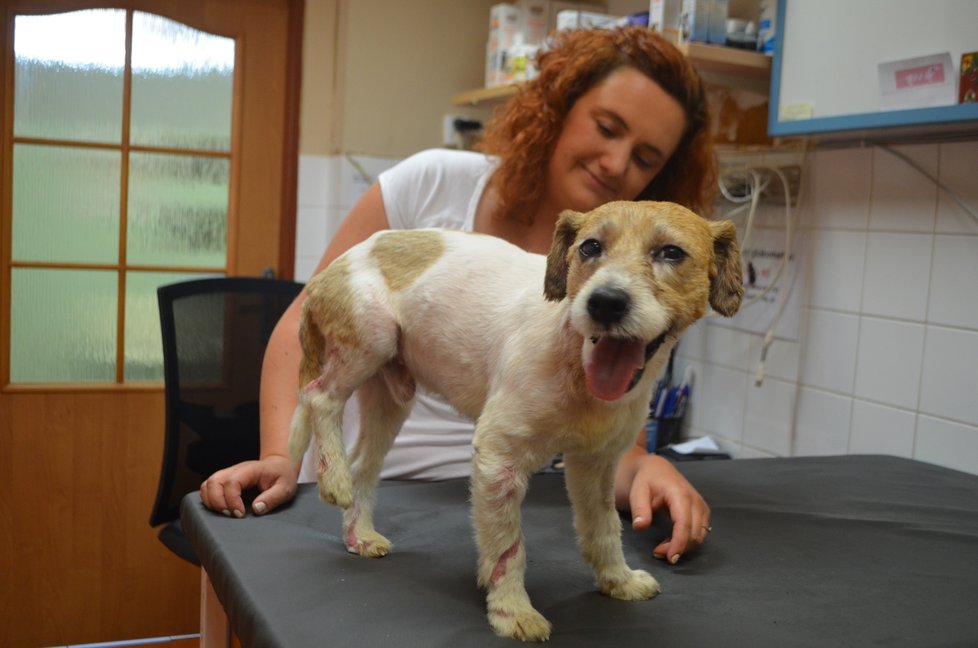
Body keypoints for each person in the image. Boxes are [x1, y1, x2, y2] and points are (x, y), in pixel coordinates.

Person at [201, 26, 717, 564]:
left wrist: (646, 467)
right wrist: (281, 456)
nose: (616, 162)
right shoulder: (431, 184)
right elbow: (301, 325)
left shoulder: (632, 294)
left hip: (507, 499)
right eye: (606, 128)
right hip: (380, 492)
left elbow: (608, 430)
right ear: (558, 108)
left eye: (645, 158)